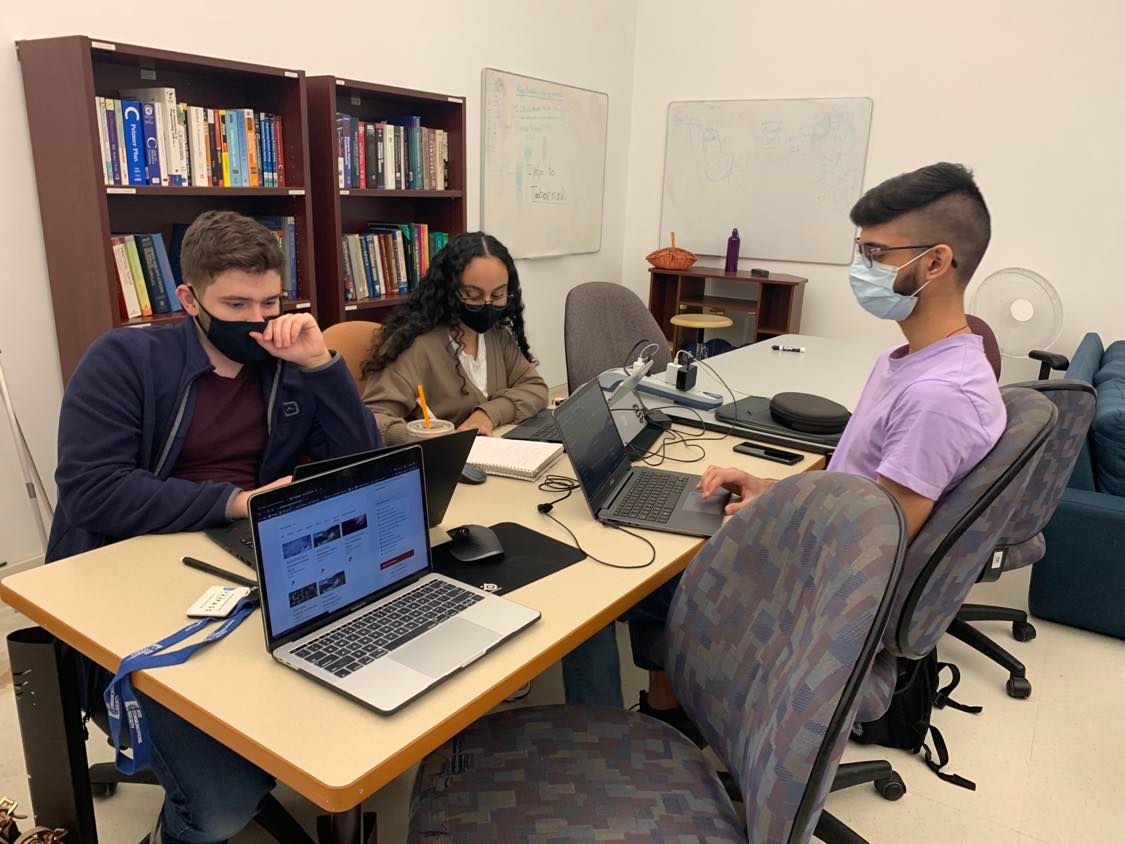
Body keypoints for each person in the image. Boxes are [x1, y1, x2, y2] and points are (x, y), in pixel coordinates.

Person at [562, 162, 1007, 740]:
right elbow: (862, 493)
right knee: (662, 528)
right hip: (822, 555)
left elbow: (870, 548)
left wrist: (771, 522)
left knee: (607, 568)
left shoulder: (936, 398)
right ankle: (672, 713)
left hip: (821, 597)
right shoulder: (921, 362)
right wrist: (772, 490)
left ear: (937, 262)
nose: (860, 269)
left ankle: (599, 746)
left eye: (875, 254)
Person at [47, 210, 380, 844]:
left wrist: (320, 364)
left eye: (270, 300)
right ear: (188, 298)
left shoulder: (282, 361)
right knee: (223, 805)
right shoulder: (124, 360)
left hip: (245, 559)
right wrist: (234, 503)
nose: (257, 319)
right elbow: (93, 491)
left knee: (366, 671)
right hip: (128, 582)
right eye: (235, 303)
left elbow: (358, 461)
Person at [361, 231, 548, 444]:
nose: (487, 304)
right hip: (441, 465)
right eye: (473, 295)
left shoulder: (497, 335)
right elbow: (373, 418)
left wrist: (487, 414)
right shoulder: (415, 345)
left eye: (497, 295)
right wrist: (422, 438)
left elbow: (535, 388)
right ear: (449, 290)